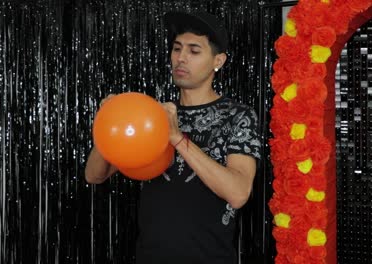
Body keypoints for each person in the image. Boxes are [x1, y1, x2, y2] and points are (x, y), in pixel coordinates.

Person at [85, 10, 261, 264]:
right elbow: (94, 175)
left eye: (194, 51)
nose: (181, 58)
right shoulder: (151, 114)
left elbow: (238, 193)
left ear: (218, 61)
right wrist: (109, 122)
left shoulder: (238, 116)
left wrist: (176, 137)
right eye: (177, 49)